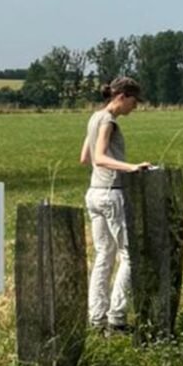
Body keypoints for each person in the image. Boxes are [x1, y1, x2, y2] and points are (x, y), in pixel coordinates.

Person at [80, 76, 151, 335]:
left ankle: (96, 317)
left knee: (104, 256)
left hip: (93, 193)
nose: (135, 107)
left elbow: (84, 157)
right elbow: (98, 158)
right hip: (111, 193)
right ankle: (117, 318)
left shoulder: (94, 118)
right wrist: (131, 167)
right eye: (134, 101)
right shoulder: (108, 121)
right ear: (121, 96)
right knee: (130, 255)